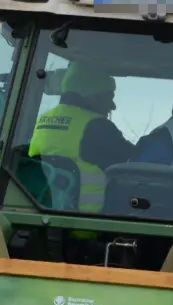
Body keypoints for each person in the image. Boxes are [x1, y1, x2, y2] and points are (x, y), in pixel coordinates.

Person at [27, 62, 137, 212]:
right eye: (109, 97)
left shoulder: (42, 119)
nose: (113, 106)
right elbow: (135, 163)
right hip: (88, 220)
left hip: (42, 209)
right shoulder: (97, 127)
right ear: (92, 95)